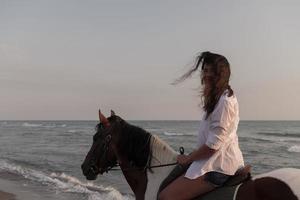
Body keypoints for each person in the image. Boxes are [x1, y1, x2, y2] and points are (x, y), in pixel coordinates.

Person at [158, 51, 244, 200]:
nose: (207, 75)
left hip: (218, 166)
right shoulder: (217, 99)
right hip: (209, 161)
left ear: (222, 74)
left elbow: (213, 145)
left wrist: (189, 158)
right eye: (205, 70)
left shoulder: (224, 101)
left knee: (166, 197)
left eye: (213, 71)